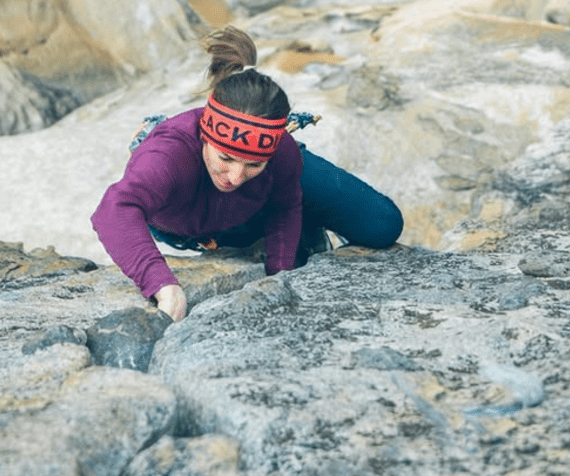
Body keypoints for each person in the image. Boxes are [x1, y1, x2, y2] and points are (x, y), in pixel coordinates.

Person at [91, 26, 403, 322]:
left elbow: (285, 205)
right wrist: (163, 285)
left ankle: (267, 158)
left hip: (274, 171)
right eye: (226, 158)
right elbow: (113, 210)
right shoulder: (169, 157)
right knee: (240, 229)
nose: (236, 176)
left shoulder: (281, 153)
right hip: (195, 217)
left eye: (252, 163)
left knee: (382, 224)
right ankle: (160, 130)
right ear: (205, 136)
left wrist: (281, 275)